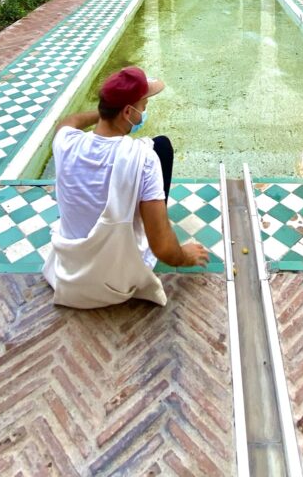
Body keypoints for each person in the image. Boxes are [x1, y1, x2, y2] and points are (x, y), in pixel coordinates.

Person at [42, 65, 209, 309]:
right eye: (143, 107)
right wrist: (184, 256)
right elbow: (163, 249)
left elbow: (69, 121)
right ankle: (155, 218)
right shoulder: (143, 158)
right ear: (128, 112)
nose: (144, 113)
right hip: (117, 278)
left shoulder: (65, 142)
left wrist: (104, 114)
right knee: (161, 146)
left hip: (69, 274)